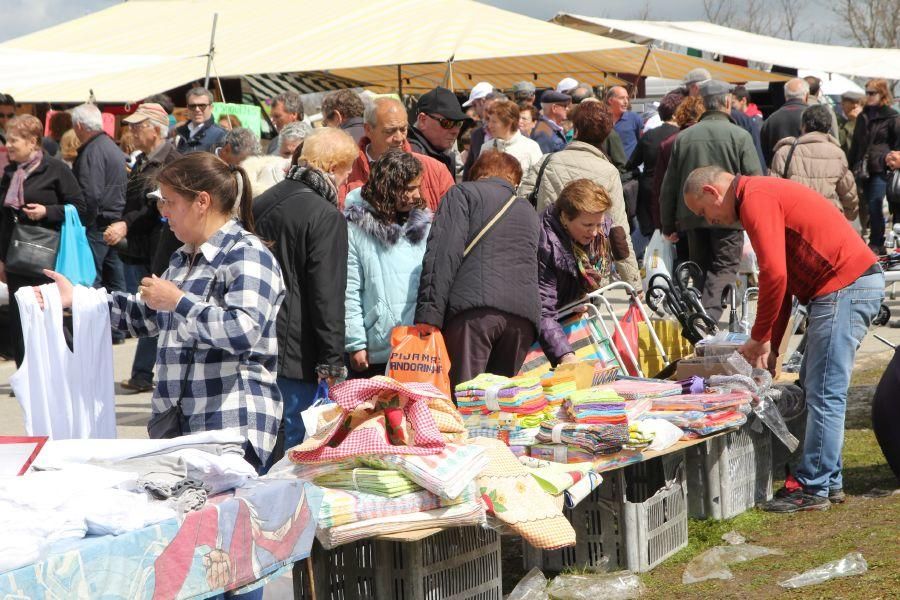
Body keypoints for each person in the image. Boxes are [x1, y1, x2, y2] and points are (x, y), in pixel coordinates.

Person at [42, 153, 285, 476]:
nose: (163, 213)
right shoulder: (183, 258)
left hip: (230, 426)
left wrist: (180, 302)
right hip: (178, 426)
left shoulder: (248, 256)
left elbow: (243, 331)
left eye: (169, 202)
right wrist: (79, 300)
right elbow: (147, 315)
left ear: (201, 201)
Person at [683, 165, 883, 512]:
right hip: (845, 286)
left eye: (704, 212)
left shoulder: (754, 199)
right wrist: (773, 348)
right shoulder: (759, 194)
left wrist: (759, 338)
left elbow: (774, 275)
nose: (710, 221)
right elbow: (785, 281)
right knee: (816, 385)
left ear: (712, 192)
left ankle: (813, 488)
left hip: (845, 287)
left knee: (823, 390)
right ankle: (826, 481)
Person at [253, 127, 357, 453]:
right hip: (297, 353)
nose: (344, 183)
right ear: (329, 168)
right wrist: (332, 363)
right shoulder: (325, 216)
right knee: (292, 450)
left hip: (257, 341)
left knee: (262, 441)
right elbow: (326, 294)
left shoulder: (261, 202)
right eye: (344, 173)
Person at [416, 150, 540, 387]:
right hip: (522, 321)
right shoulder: (528, 210)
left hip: (476, 314)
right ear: (513, 179)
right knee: (502, 407)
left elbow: (442, 253)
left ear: (477, 173)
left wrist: (428, 314)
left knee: (466, 400)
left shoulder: (463, 193)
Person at [659, 81, 762, 320]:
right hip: (730, 218)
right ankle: (708, 317)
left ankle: (701, 315)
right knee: (724, 268)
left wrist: (668, 225)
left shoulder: (683, 138)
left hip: (693, 217)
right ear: (727, 102)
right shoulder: (740, 135)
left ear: (702, 104)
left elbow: (669, 186)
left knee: (702, 270)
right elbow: (756, 181)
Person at [520, 101, 641, 291]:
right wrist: (634, 283)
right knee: (587, 316)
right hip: (591, 270)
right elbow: (618, 231)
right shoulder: (608, 172)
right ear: (607, 134)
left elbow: (521, 205)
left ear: (575, 129)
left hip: (547, 258)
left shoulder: (547, 162)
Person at [104, 103, 182, 392]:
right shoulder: (146, 158)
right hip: (146, 245)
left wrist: (125, 223)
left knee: (155, 303)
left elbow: (154, 208)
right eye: (132, 127)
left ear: (157, 129)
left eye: (140, 126)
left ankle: (142, 373)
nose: (133, 131)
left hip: (162, 244)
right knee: (150, 304)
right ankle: (142, 373)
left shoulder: (170, 160)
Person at [0, 115, 85, 367]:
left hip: (47, 259)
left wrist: (47, 212)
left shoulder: (56, 169)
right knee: (20, 318)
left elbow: (81, 208)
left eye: (14, 140)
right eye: (9, 139)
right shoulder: (10, 172)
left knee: (47, 315)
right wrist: (1, 259)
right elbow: (2, 219)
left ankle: (57, 369)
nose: (9, 145)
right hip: (16, 258)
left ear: (33, 141)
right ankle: (26, 374)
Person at [343, 150, 432, 378]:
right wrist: (356, 343)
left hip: (417, 345)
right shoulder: (355, 229)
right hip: (379, 344)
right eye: (409, 189)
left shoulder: (423, 226)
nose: (415, 195)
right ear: (389, 187)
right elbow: (350, 289)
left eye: (417, 188)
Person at [538, 179, 632, 366]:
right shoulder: (545, 244)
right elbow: (543, 311)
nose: (595, 232)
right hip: (549, 332)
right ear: (565, 218)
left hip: (572, 319)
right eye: (588, 225)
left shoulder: (594, 231)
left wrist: (582, 297)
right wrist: (565, 355)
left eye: (599, 224)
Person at [71, 103, 128, 341]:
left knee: (91, 279)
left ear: (80, 126)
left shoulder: (93, 150)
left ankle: (97, 331)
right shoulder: (109, 146)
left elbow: (91, 194)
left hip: (99, 223)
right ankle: (118, 328)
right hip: (113, 219)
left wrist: (84, 221)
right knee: (115, 279)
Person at [340, 97, 453, 211]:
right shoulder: (345, 173)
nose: (399, 138)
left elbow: (453, 220)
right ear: (368, 129)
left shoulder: (436, 171)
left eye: (403, 129)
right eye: (390, 131)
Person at [771, 104, 858, 220]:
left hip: (795, 218)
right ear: (828, 128)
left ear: (803, 126)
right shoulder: (837, 153)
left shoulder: (785, 152)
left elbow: (774, 190)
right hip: (827, 216)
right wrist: (850, 214)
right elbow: (848, 193)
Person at [849, 79, 900, 254]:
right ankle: (875, 240)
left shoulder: (891, 115)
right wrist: (850, 165)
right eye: (867, 92)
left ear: (882, 94)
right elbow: (856, 144)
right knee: (865, 205)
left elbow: (897, 143)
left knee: (876, 204)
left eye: (872, 93)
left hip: (882, 167)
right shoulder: (863, 115)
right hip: (863, 166)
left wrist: (892, 159)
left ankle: (877, 241)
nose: (868, 96)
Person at [626, 90, 683, 238]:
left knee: (654, 237)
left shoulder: (649, 136)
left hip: (649, 192)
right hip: (676, 192)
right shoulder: (683, 136)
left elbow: (631, 163)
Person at [408, 86, 469, 176]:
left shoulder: (444, 155)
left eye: (459, 123)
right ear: (423, 120)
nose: (456, 131)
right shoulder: (409, 156)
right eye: (447, 123)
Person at [480, 101, 543, 174]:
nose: (489, 125)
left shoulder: (531, 147)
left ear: (509, 123)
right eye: (489, 121)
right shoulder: (486, 148)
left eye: (494, 122)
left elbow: (539, 179)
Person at [760, 78, 810, 169]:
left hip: (779, 177)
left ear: (785, 96)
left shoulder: (770, 120)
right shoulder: (814, 117)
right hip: (810, 174)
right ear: (807, 96)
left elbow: (764, 155)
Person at [461, 83, 497, 179]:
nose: (475, 110)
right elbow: (469, 171)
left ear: (482, 101)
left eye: (474, 105)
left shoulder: (513, 132)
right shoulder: (477, 134)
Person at [175, 87, 227, 154]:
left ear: (211, 108)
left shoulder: (222, 135)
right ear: (187, 108)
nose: (197, 109)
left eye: (202, 106)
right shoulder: (180, 132)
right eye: (193, 106)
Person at [730, 87, 766, 170]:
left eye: (733, 102)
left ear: (743, 101)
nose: (731, 106)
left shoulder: (755, 120)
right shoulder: (750, 119)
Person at [606, 86, 642, 159]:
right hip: (608, 167)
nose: (626, 102)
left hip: (629, 168)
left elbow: (642, 143)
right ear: (610, 100)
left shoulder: (634, 118)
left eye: (627, 98)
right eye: (621, 98)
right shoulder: (602, 119)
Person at [267, 90, 303, 155]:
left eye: (277, 116)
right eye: (272, 117)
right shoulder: (274, 143)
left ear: (294, 114)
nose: (273, 122)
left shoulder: (312, 142)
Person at [838, 90, 864, 159]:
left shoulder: (865, 123)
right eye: (852, 102)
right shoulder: (838, 122)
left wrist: (855, 120)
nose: (855, 106)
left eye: (858, 103)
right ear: (842, 104)